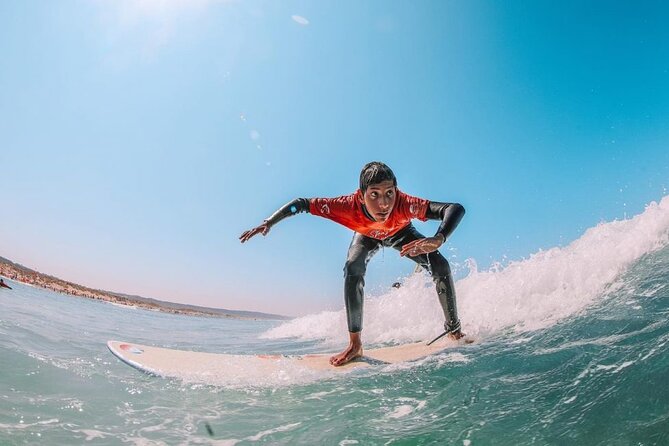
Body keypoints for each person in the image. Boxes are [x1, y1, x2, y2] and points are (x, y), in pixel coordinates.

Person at [240, 161, 466, 366]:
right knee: (353, 267)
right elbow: (301, 204)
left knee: (440, 266)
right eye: (374, 194)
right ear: (361, 195)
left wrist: (438, 239)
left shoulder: (406, 204)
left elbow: (454, 208)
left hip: (401, 233)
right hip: (366, 236)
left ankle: (454, 330)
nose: (384, 203)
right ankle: (355, 344)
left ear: (396, 191)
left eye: (389, 193)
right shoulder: (345, 206)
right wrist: (269, 222)